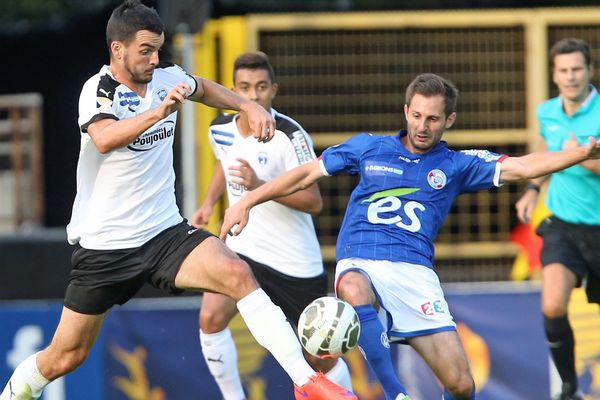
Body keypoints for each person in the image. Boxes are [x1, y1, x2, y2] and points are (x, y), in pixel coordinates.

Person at [0, 2, 357, 400]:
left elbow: (202, 87)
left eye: (158, 50)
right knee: (66, 357)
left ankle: (306, 382)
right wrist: (158, 112)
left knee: (238, 275)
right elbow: (103, 138)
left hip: (163, 233)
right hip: (105, 248)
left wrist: (247, 104)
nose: (155, 59)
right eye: (145, 51)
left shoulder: (167, 76)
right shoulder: (98, 90)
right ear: (117, 49)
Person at [219, 72, 600, 400]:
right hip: (361, 258)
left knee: (461, 383)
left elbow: (522, 167)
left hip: (415, 273)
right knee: (351, 288)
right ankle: (394, 392)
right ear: (405, 112)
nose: (422, 125)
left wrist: (582, 154)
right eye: (416, 115)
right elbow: (304, 175)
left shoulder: (456, 164)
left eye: (433, 119)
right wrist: (249, 200)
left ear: (449, 119)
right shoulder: (369, 147)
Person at [191, 51, 352, 399]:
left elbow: (314, 202)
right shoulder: (219, 127)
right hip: (243, 247)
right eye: (245, 88)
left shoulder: (291, 135)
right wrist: (207, 204)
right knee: (210, 319)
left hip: (292, 260)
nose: (253, 96)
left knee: (318, 357)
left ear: (273, 90)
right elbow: (225, 163)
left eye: (261, 87)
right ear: (234, 90)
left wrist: (256, 186)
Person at [515, 37, 600, 400]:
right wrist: (533, 189)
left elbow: (573, 158)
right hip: (563, 224)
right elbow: (547, 155)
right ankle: (568, 388)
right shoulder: (546, 112)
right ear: (554, 74)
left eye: (577, 69)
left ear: (590, 71)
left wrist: (580, 156)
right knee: (552, 304)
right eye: (563, 70)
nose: (571, 77)